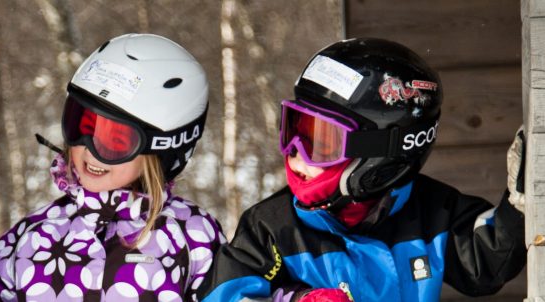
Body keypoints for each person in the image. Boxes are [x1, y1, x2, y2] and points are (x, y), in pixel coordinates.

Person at [198, 38, 526, 302]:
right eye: (294, 129)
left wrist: (520, 206)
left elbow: (487, 262)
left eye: (320, 142)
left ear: (380, 156)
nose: (296, 155)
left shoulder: (432, 213)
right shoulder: (272, 228)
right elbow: (227, 294)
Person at [0, 33, 225, 301]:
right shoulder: (37, 234)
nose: (88, 150)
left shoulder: (190, 235)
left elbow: (231, 295)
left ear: (162, 149)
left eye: (114, 139)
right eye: (80, 125)